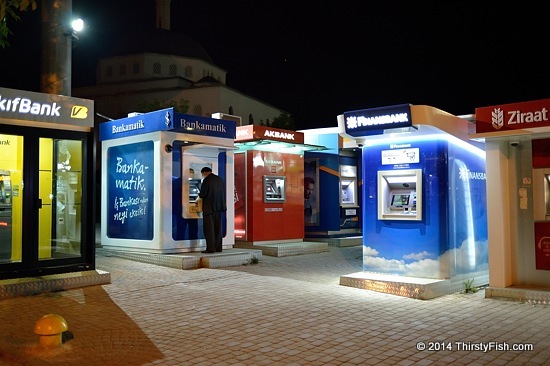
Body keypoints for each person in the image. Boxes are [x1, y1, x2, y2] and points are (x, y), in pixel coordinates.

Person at [198, 167, 226, 253]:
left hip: (209, 208)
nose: (203, 176)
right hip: (219, 208)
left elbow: (202, 194)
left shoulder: (206, 181)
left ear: (204, 173)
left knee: (209, 229)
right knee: (218, 228)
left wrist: (199, 193)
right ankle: (218, 248)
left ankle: (210, 248)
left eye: (203, 174)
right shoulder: (219, 179)